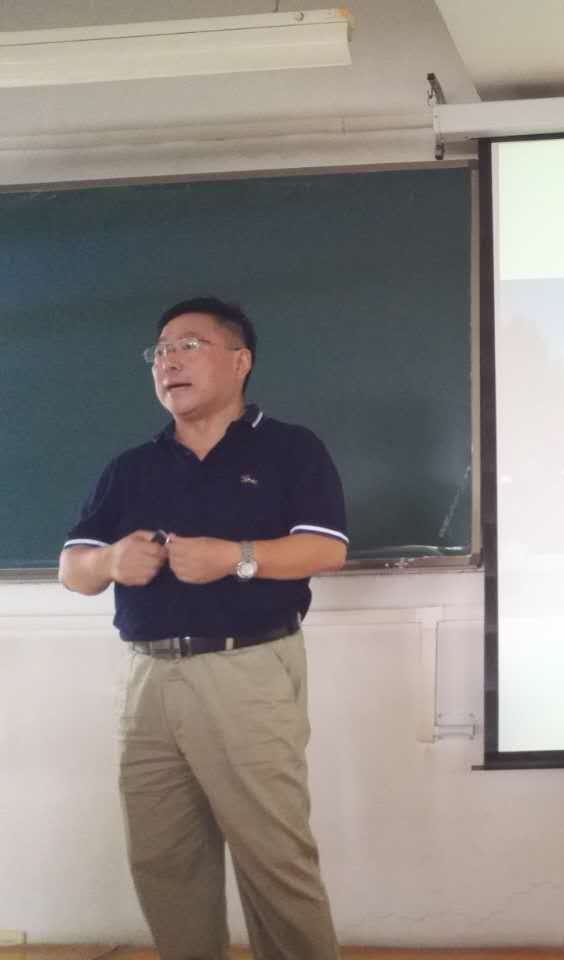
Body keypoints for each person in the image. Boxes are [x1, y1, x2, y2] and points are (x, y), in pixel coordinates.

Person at [58, 297, 348, 960]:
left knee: (274, 861)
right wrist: (109, 561)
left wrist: (235, 557)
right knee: (164, 862)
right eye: (159, 351)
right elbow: (73, 568)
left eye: (188, 345)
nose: (169, 361)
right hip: (147, 680)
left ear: (240, 361)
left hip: (245, 671)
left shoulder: (290, 449)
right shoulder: (130, 467)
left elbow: (326, 548)